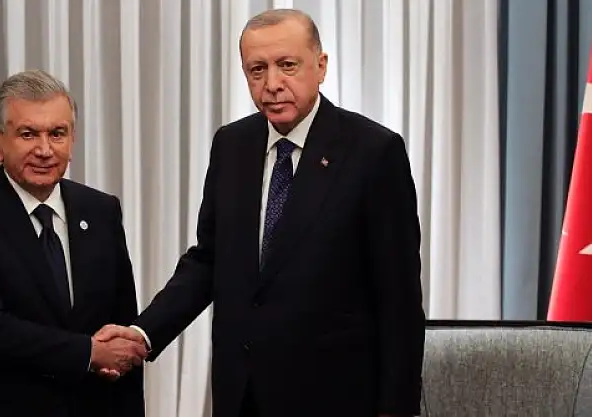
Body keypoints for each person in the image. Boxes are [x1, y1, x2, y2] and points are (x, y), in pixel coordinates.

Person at [97, 8, 426, 417]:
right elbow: (209, 260)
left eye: (287, 65)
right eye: (257, 69)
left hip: (335, 396)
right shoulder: (232, 145)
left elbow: (399, 297)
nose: (272, 84)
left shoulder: (374, 152)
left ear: (321, 66)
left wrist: (396, 406)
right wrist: (143, 333)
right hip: (242, 393)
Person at [0, 70, 146, 417]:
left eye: (57, 134)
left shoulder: (101, 210)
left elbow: (121, 327)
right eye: (28, 134)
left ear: (72, 139)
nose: (44, 150)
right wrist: (88, 353)